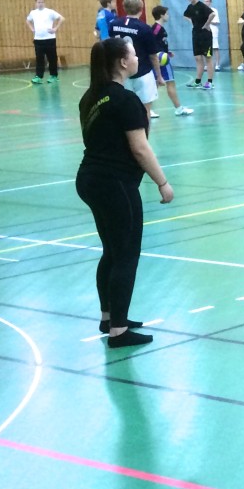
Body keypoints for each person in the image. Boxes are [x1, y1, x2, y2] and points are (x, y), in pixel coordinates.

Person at [76, 36, 173, 348]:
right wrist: (162, 182)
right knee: (127, 255)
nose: (137, 58)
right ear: (122, 62)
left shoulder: (90, 97)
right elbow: (140, 149)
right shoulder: (125, 100)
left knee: (112, 251)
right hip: (114, 183)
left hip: (90, 179)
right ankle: (118, 330)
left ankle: (109, 317)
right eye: (133, 54)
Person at [106, 0, 165, 120]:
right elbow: (153, 56)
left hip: (122, 73)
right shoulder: (144, 28)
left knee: (125, 109)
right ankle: (143, 133)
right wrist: (159, 76)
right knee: (145, 110)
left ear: (124, 8)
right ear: (141, 9)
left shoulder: (114, 24)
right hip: (142, 73)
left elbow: (111, 46)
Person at [149, 6, 194, 116]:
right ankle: (178, 109)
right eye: (167, 14)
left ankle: (148, 110)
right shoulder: (157, 28)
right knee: (170, 83)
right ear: (161, 15)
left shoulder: (160, 28)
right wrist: (158, 55)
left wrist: (167, 52)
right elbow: (151, 42)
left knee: (156, 84)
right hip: (161, 61)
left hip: (160, 58)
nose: (168, 16)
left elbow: (159, 43)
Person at [26, 0, 64, 84]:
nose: (40, 4)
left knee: (52, 58)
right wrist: (32, 29)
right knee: (39, 59)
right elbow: (27, 21)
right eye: (39, 2)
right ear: (36, 3)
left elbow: (61, 18)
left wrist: (55, 28)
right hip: (38, 40)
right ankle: (38, 77)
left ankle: (53, 76)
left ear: (44, 3)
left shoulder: (50, 12)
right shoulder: (33, 13)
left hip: (50, 39)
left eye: (42, 2)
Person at [184, 0, 215, 88]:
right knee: (198, 58)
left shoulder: (202, 6)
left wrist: (207, 24)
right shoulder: (190, 7)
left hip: (205, 35)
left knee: (208, 58)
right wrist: (192, 22)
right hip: (196, 34)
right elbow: (185, 15)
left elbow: (212, 14)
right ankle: (198, 81)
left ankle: (210, 82)